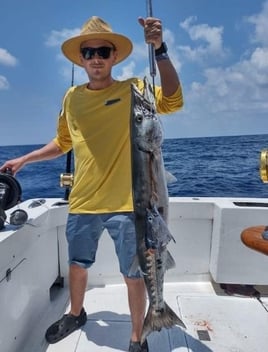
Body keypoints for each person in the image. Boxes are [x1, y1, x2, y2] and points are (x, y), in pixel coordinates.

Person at [0, 15, 183, 352]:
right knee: (77, 265)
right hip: (83, 201)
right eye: (89, 52)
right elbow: (62, 142)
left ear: (114, 56)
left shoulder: (134, 91)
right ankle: (76, 313)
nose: (96, 57)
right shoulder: (72, 97)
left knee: (134, 272)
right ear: (81, 58)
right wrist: (25, 159)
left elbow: (172, 100)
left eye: (103, 50)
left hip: (130, 203)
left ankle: (135, 337)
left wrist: (160, 50)